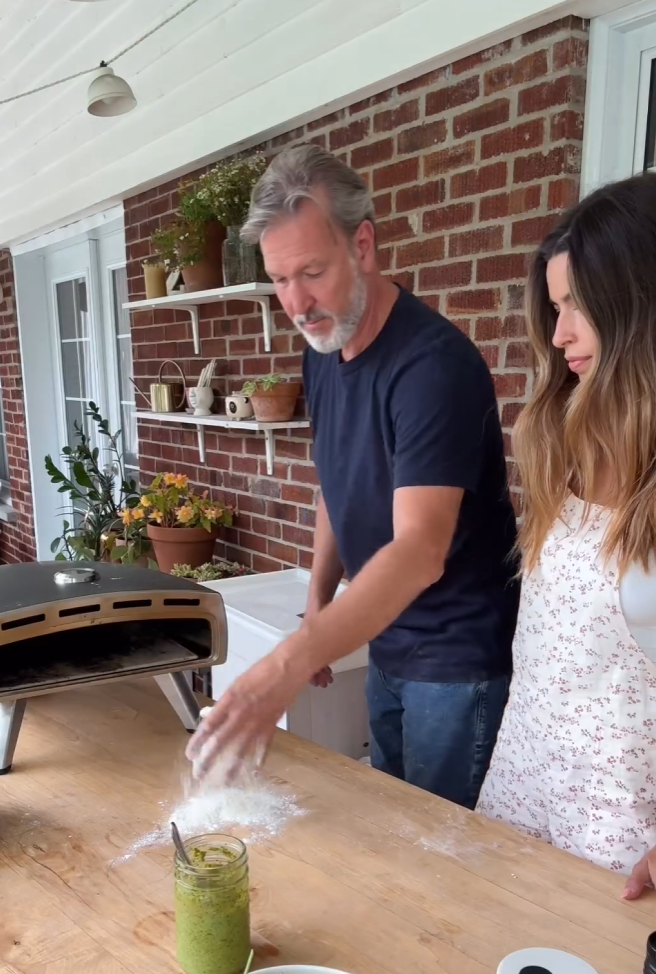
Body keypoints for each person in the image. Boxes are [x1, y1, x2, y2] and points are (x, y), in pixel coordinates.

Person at [188, 144, 519, 806]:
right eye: (280, 279)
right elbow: (336, 483)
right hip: (387, 641)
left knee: (436, 848)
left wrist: (283, 664)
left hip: (454, 660)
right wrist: (318, 597)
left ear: (362, 245)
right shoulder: (324, 348)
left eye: (310, 271)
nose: (296, 302)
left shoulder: (431, 367)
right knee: (391, 820)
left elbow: (419, 550)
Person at [477, 172, 656, 900]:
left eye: (576, 305)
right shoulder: (564, 447)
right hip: (521, 789)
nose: (558, 335)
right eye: (554, 308)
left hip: (618, 846)